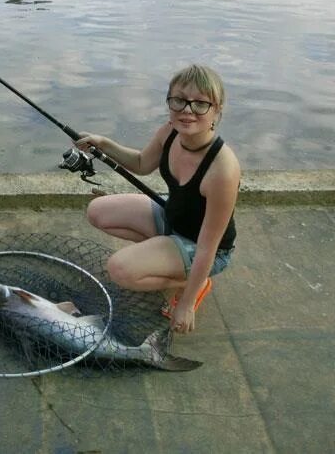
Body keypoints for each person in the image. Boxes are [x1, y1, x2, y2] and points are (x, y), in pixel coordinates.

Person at [75, 64, 240, 335]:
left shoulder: (223, 169)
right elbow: (141, 163)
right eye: (178, 101)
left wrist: (186, 305)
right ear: (169, 102)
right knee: (98, 211)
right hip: (171, 216)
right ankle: (165, 260)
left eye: (200, 104)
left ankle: (191, 283)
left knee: (120, 270)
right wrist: (103, 143)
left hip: (202, 246)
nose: (187, 110)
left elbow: (208, 248)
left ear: (216, 110)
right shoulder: (170, 131)